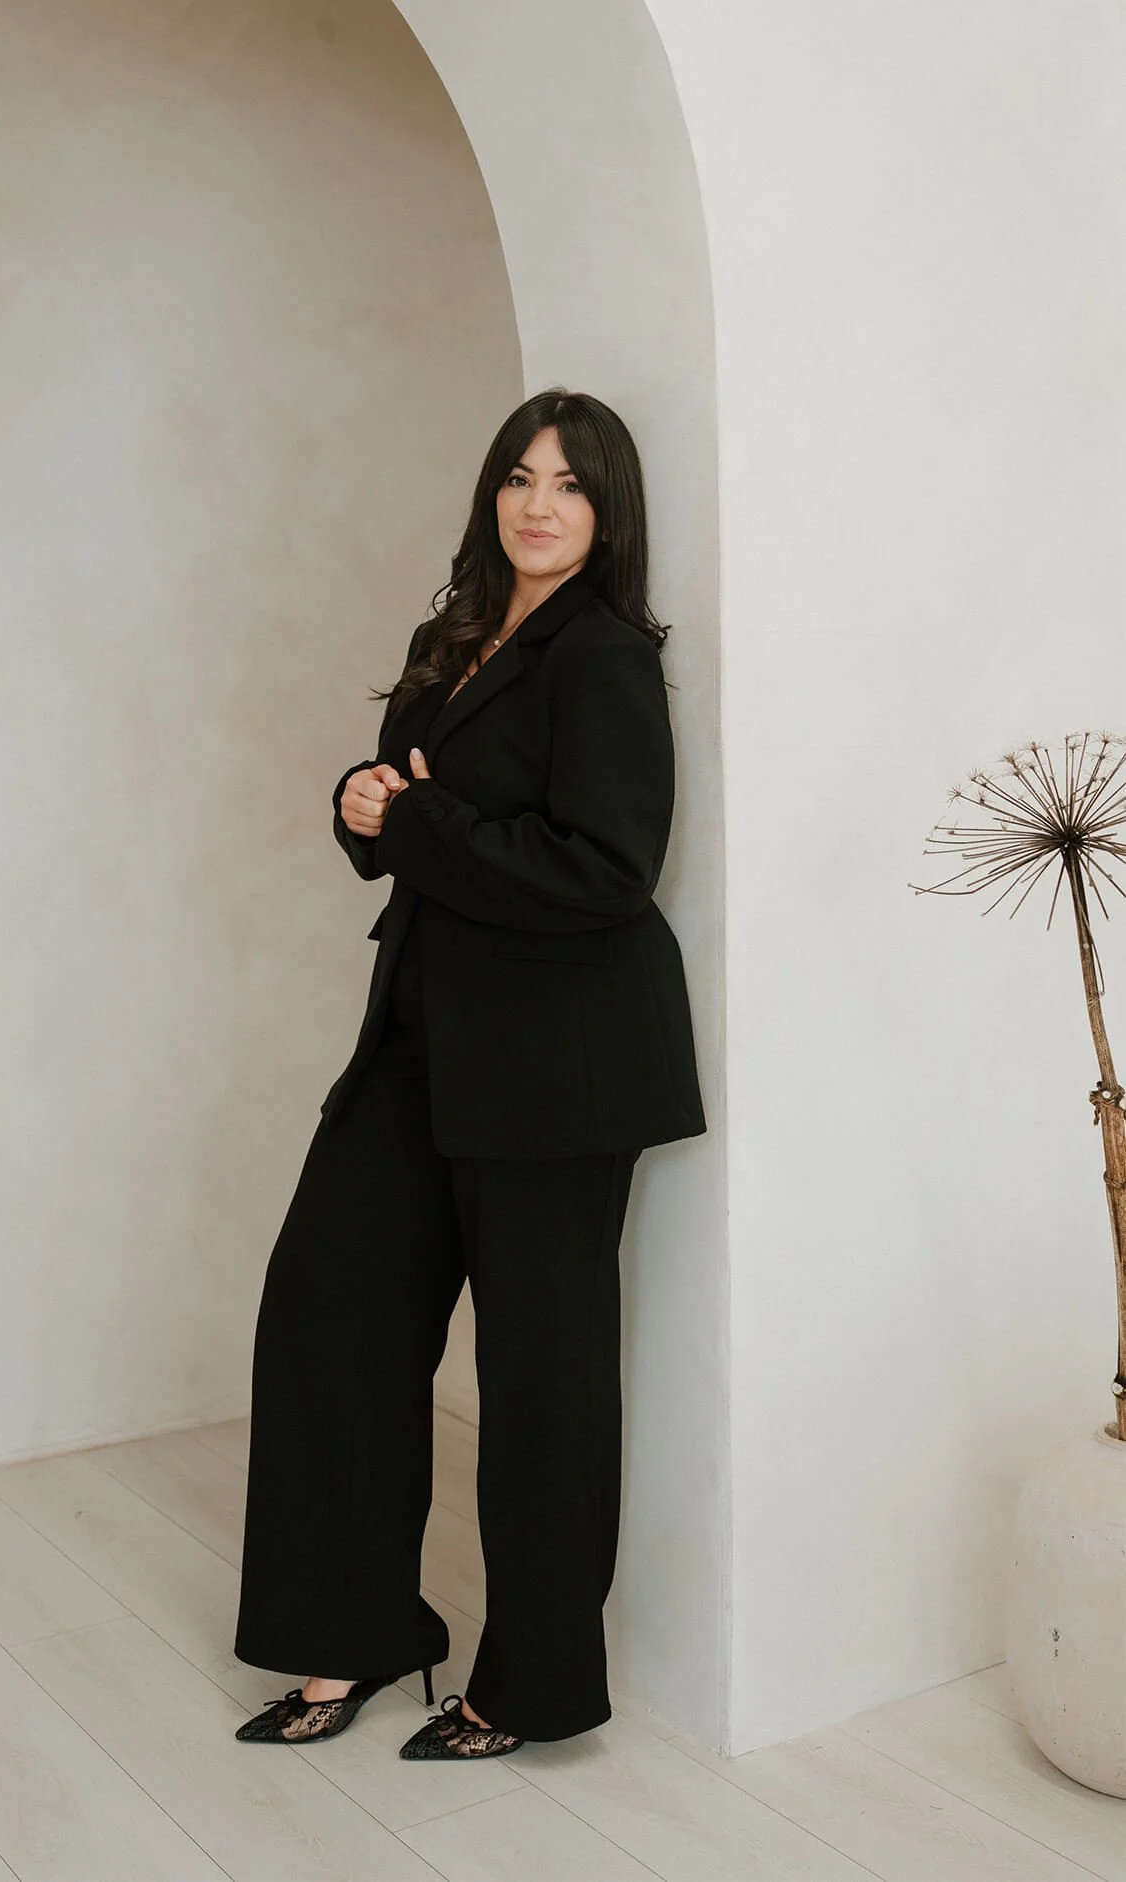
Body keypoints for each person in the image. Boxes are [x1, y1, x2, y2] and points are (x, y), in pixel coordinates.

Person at [231, 388, 705, 1760]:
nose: (538, 502)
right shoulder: (453, 633)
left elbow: (608, 872)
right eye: (518, 474)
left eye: (569, 482)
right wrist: (362, 804)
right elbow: (408, 806)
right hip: (423, 1037)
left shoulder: (604, 653)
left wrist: (428, 815)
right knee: (327, 1310)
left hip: (562, 1061)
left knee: (543, 1382)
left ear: (606, 511)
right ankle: (355, 1630)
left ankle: (532, 1684)